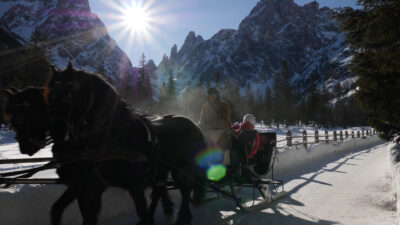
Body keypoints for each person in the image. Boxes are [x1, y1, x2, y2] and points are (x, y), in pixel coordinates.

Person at [198, 87, 232, 165]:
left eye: (214, 94)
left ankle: (221, 162)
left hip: (222, 130)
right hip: (208, 130)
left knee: (215, 140)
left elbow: (225, 121)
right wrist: (200, 125)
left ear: (217, 95)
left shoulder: (223, 106)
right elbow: (202, 119)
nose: (212, 96)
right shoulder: (205, 106)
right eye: (210, 95)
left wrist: (210, 125)